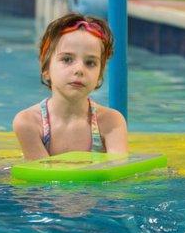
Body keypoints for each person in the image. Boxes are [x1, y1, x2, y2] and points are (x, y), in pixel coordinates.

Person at [12, 13, 127, 160]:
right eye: (67, 59)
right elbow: (42, 179)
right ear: (46, 69)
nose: (79, 69)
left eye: (90, 63)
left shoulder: (112, 123)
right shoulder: (29, 123)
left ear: (99, 75)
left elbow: (119, 176)